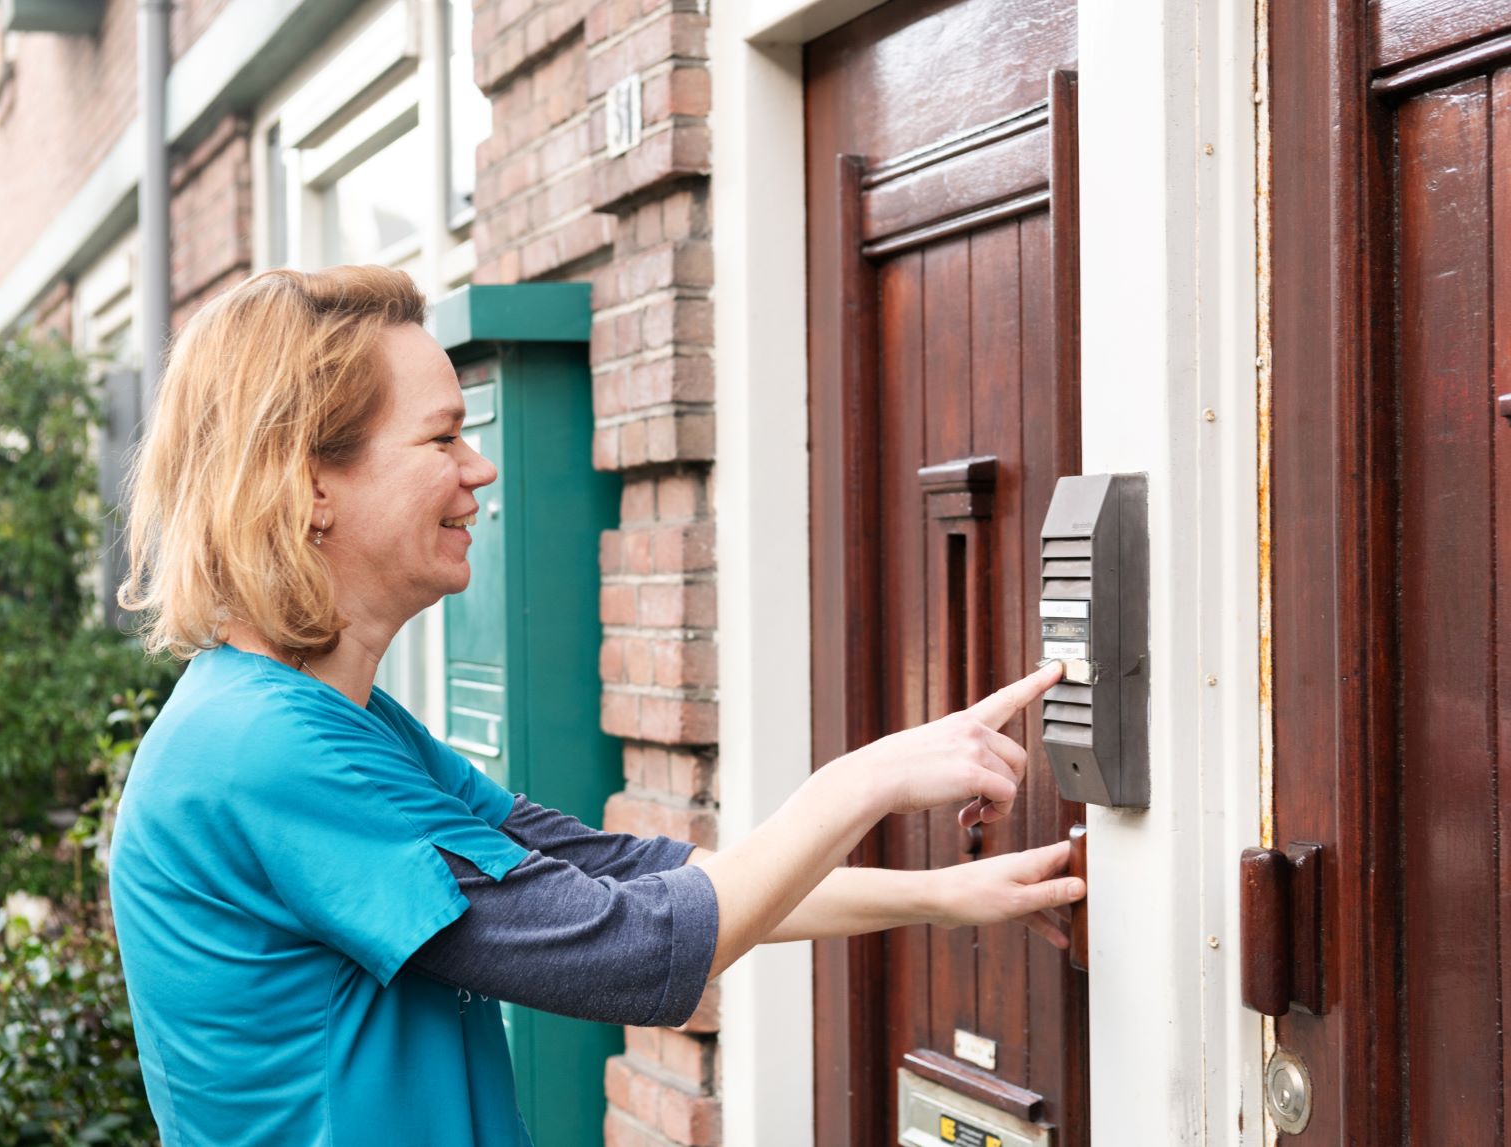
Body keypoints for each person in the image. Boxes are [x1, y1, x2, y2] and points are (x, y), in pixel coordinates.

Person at [107, 265, 1085, 1146]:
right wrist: (860, 781)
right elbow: (634, 953)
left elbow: (640, 879)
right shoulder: (262, 752)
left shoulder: (334, 727)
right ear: (311, 484)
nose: (477, 467)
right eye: (443, 436)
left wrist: (944, 894)